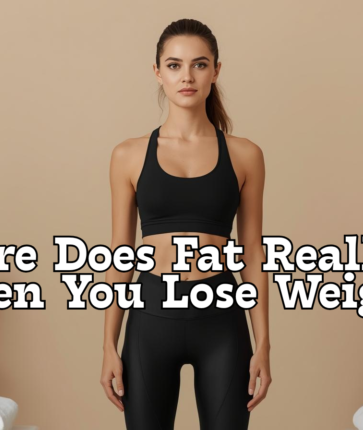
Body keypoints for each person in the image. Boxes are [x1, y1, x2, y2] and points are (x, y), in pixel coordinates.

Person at [100, 18, 271, 430]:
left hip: (222, 319)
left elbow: (253, 254)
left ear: (215, 70)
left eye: (199, 64)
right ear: (158, 72)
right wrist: (108, 345)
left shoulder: (246, 155)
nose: (187, 76)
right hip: (151, 318)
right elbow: (120, 256)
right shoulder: (128, 155)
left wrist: (263, 344)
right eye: (174, 65)